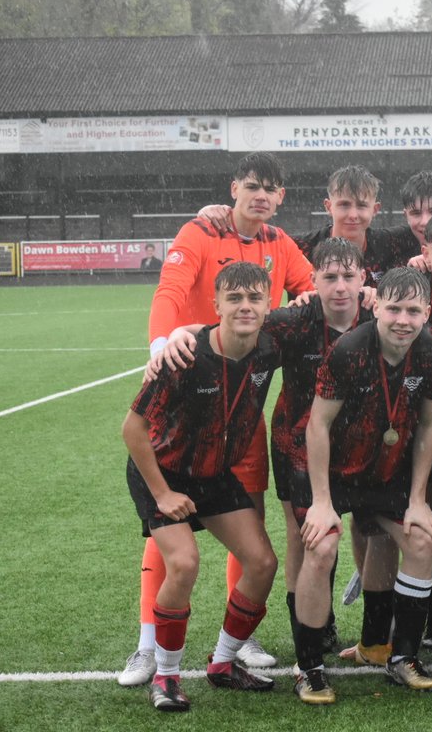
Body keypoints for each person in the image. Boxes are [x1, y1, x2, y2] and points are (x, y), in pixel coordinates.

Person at [119, 152, 313, 687]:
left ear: (281, 197)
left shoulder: (279, 243)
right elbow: (170, 292)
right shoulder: (200, 231)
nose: (261, 195)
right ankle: (147, 645)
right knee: (168, 542)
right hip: (186, 393)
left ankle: (236, 641)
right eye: (252, 185)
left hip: (240, 414)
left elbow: (311, 290)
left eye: (271, 188)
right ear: (234, 187)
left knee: (248, 522)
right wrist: (165, 342)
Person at [122, 262, 282, 712]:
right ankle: (167, 676)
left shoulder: (270, 349)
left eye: (254, 298)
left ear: (269, 305)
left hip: (213, 475)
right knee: (185, 563)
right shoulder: (185, 355)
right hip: (162, 472)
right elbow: (132, 431)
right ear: (216, 306)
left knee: (262, 562)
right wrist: (162, 495)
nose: (245, 307)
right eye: (234, 299)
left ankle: (224, 663)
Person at [292, 267, 432, 703]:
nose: (403, 319)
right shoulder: (348, 350)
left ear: (426, 312)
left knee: (420, 540)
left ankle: (403, 660)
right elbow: (318, 426)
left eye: (413, 310)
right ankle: (308, 668)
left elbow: (429, 425)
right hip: (332, 472)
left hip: (386, 472)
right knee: (322, 545)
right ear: (375, 305)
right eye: (394, 308)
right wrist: (322, 502)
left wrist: (418, 499)